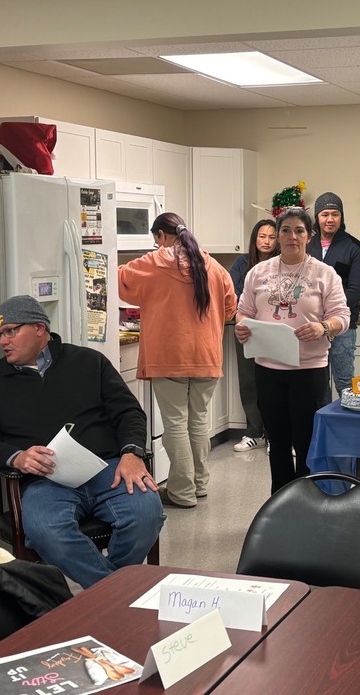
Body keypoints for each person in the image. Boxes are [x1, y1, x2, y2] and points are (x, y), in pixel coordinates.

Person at [0, 296, 164, 589]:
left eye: (11, 331)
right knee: (45, 530)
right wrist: (16, 457)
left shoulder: (88, 362)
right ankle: (116, 594)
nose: (3, 341)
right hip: (46, 479)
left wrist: (132, 453)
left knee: (147, 512)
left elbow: (129, 412)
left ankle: (105, 596)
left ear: (39, 329)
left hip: (108, 467)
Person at [119, 213, 237, 508]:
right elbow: (230, 308)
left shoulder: (154, 262)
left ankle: (181, 493)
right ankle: (198, 485)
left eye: (155, 239)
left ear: (161, 236)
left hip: (169, 355)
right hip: (206, 355)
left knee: (175, 424)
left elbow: (118, 279)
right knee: (198, 422)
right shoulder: (212, 265)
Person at [236, 207, 350, 493]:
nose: (292, 236)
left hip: (309, 371)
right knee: (278, 442)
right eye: (285, 230)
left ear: (308, 236)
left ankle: (308, 500)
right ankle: (281, 500)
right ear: (277, 237)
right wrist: (241, 327)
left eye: (299, 230)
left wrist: (323, 328)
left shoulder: (325, 274)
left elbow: (342, 317)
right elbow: (243, 312)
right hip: (268, 369)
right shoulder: (258, 272)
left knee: (307, 441)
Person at [307, 192, 360, 397]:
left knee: (344, 383)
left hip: (342, 327)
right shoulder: (306, 246)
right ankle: (318, 428)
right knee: (316, 384)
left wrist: (331, 313)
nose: (330, 219)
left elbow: (355, 291)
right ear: (317, 217)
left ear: (342, 217)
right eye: (325, 214)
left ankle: (344, 428)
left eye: (335, 214)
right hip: (311, 326)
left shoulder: (355, 248)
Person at [229, 219, 278, 452]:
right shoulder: (242, 263)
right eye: (262, 236)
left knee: (273, 382)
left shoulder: (282, 264)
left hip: (274, 331)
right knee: (249, 382)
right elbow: (231, 292)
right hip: (246, 329)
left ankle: (274, 434)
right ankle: (253, 432)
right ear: (254, 239)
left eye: (271, 236)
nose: (266, 241)